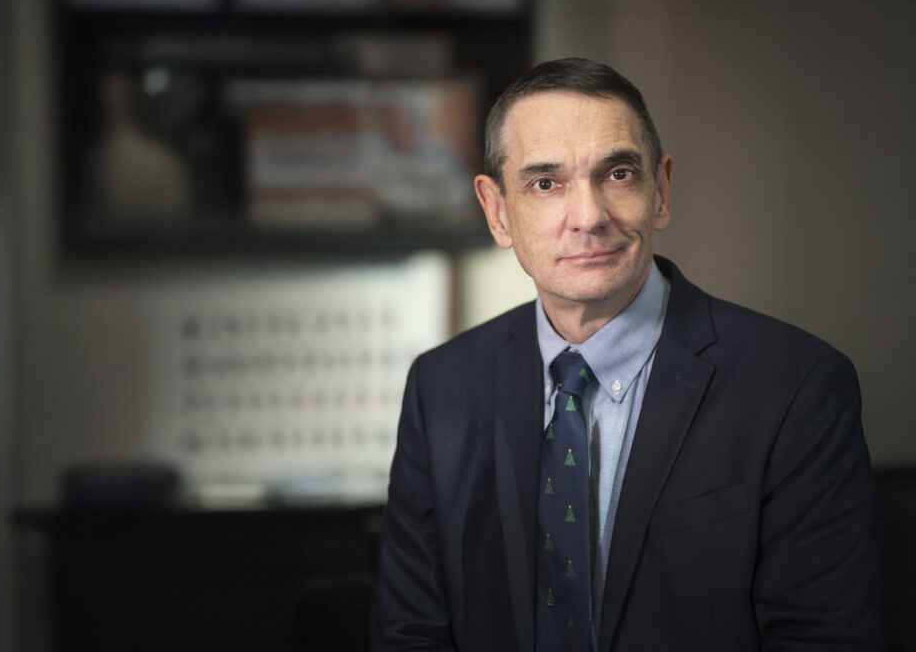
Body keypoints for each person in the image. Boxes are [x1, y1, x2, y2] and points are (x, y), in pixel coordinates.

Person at [369, 57, 883, 652]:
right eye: (545, 183)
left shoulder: (798, 387)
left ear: (660, 191)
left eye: (617, 174)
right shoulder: (441, 387)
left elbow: (823, 637)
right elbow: (410, 633)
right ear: (498, 211)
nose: (588, 217)